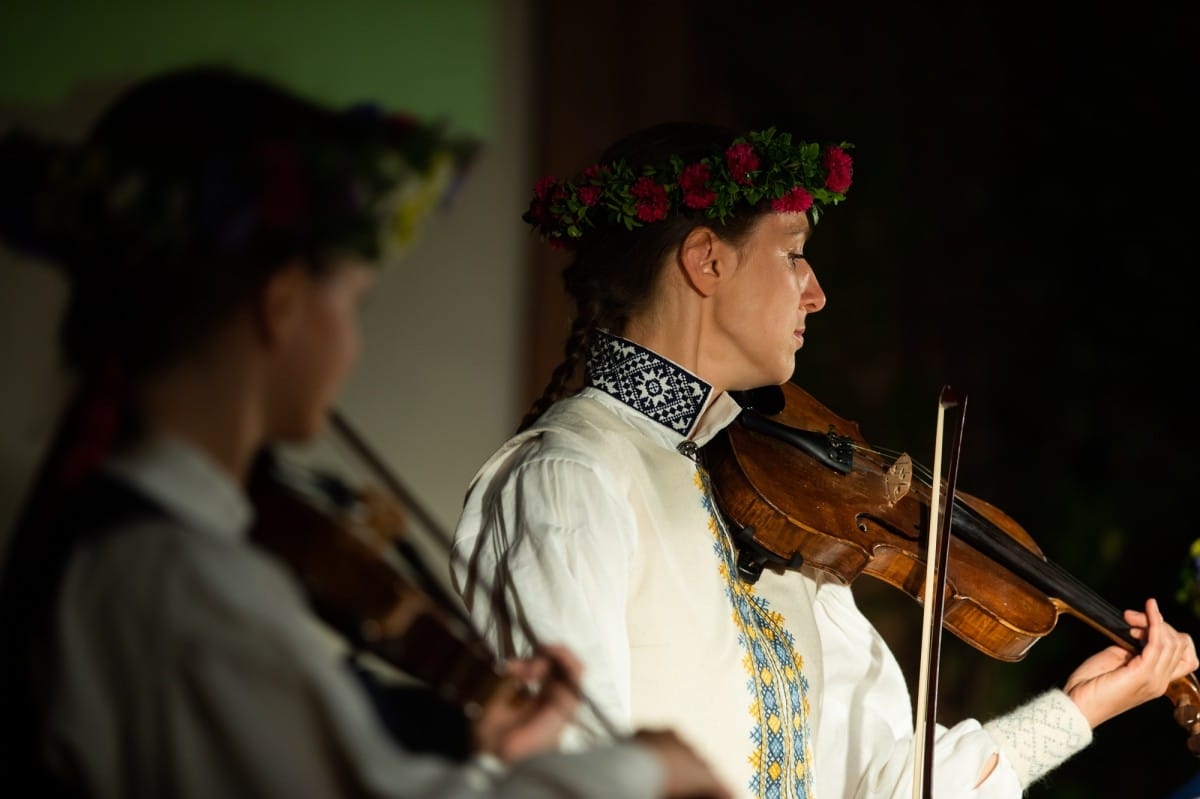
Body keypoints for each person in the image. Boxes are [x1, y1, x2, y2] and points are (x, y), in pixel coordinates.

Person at [0, 66, 732, 799]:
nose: (353, 339)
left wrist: (465, 733)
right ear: (281, 303)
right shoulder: (173, 576)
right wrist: (644, 769)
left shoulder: (168, 557)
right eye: (357, 302)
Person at [448, 121, 1200, 799]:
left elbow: (885, 786)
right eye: (794, 257)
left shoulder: (786, 511)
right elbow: (564, 778)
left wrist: (1079, 709)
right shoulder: (570, 477)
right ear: (706, 259)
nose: (817, 293)